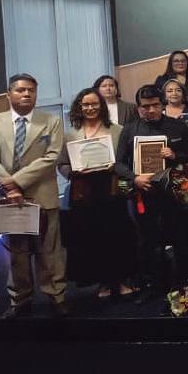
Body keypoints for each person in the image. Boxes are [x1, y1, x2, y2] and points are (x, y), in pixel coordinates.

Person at [0, 74, 67, 318]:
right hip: (7, 198)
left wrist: (17, 181)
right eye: (20, 90)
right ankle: (19, 300)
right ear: (8, 94)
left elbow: (52, 157)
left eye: (31, 90)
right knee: (16, 253)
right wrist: (10, 187)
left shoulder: (51, 121)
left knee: (49, 251)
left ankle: (56, 296)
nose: (27, 94)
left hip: (42, 195)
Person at [112, 85, 188, 304]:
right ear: (138, 107)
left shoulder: (179, 126)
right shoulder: (129, 130)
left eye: (155, 105)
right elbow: (118, 164)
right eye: (145, 106)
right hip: (143, 193)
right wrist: (134, 178)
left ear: (162, 104)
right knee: (147, 241)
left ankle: (180, 285)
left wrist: (176, 155)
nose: (150, 110)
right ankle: (151, 285)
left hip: (173, 193)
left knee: (179, 238)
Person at [57, 87, 135, 300]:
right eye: (86, 104)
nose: (90, 108)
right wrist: (72, 172)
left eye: (94, 104)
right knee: (92, 236)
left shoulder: (117, 130)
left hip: (112, 187)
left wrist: (116, 166)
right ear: (79, 107)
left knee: (118, 234)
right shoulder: (70, 134)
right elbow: (62, 163)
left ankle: (121, 279)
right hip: (84, 191)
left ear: (101, 106)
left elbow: (127, 159)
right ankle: (103, 282)